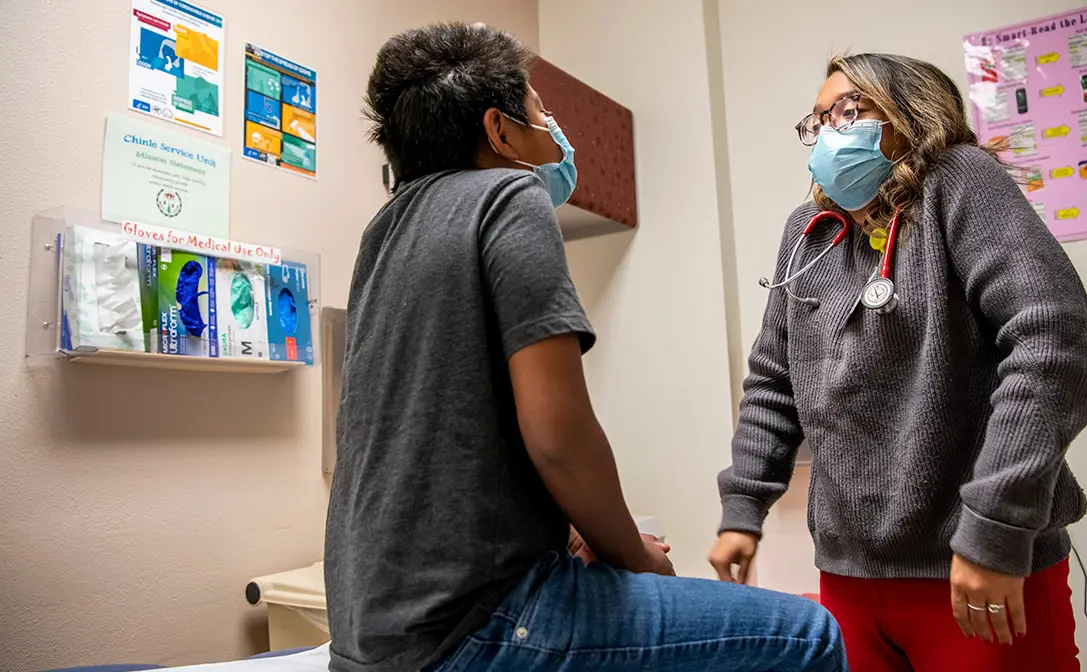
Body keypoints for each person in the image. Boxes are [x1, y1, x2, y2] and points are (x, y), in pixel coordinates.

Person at [325, 22, 847, 672]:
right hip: (475, 628)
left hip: (369, 640)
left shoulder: (386, 231)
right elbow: (557, 436)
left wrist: (567, 531)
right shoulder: (508, 194)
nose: (553, 129)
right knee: (809, 637)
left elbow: (450, 438)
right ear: (499, 130)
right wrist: (638, 559)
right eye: (542, 111)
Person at [709, 53, 1087, 672]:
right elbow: (773, 382)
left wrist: (994, 525)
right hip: (847, 574)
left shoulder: (960, 182)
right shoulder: (807, 232)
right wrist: (743, 508)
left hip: (972, 565)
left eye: (848, 110)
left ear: (908, 113)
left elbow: (1052, 343)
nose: (829, 132)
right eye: (818, 121)